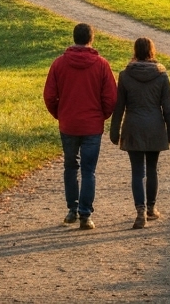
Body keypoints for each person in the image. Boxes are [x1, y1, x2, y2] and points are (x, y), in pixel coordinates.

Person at [43, 22, 117, 230]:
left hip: (68, 123)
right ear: (91, 39)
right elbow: (111, 97)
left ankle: (72, 209)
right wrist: (101, 116)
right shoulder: (101, 64)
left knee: (70, 167)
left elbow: (49, 95)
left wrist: (60, 113)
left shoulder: (59, 64)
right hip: (92, 125)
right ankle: (86, 214)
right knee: (88, 170)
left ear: (74, 38)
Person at [110, 37, 170, 229]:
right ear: (152, 51)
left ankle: (140, 210)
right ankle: (151, 208)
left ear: (135, 51)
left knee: (137, 171)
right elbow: (168, 108)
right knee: (152, 169)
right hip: (155, 126)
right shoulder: (161, 76)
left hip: (133, 126)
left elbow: (119, 107)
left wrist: (114, 132)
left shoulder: (125, 75)